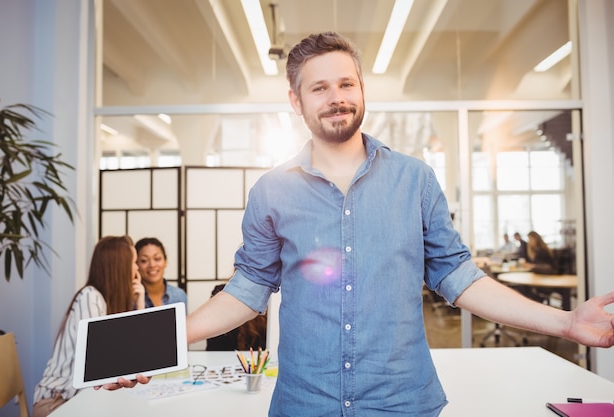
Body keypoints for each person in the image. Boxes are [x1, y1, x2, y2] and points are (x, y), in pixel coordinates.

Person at [107, 32, 614, 416]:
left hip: (402, 402)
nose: (337, 97)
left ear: (362, 89)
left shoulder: (414, 180)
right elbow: (247, 289)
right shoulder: (271, 192)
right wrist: (153, 343)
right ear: (296, 100)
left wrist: (566, 323)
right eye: (319, 87)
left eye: (346, 83)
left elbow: (459, 278)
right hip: (305, 404)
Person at [32, 235, 145, 417]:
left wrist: (139, 305)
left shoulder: (104, 301)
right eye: (134, 262)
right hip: (56, 403)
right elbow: (100, 362)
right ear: (119, 267)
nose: (137, 268)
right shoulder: (90, 297)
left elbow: (133, 356)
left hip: (81, 400)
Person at [135, 237, 187, 308]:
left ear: (165, 262)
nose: (152, 265)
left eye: (157, 259)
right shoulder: (131, 297)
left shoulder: (179, 295)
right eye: (144, 261)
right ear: (136, 264)